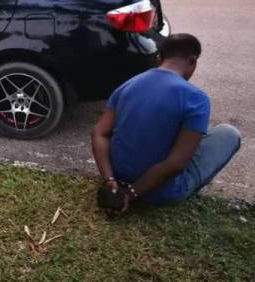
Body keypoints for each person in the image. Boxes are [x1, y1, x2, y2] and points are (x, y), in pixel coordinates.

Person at [91, 33, 241, 211]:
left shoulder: (128, 85)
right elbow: (177, 163)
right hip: (162, 192)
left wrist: (109, 180)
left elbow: (98, 132)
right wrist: (131, 194)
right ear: (192, 61)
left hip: (118, 177)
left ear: (159, 59)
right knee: (228, 133)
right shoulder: (197, 99)